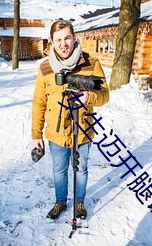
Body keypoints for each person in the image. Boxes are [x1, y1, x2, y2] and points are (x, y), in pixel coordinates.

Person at [31, 20, 109, 220]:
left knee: (81, 168)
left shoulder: (91, 63)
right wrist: (36, 134)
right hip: (56, 133)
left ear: (74, 38)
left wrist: (89, 97)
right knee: (59, 170)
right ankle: (60, 202)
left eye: (67, 38)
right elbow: (39, 102)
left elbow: (105, 95)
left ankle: (80, 202)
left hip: (83, 130)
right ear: (52, 42)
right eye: (59, 40)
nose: (63, 43)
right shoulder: (45, 68)